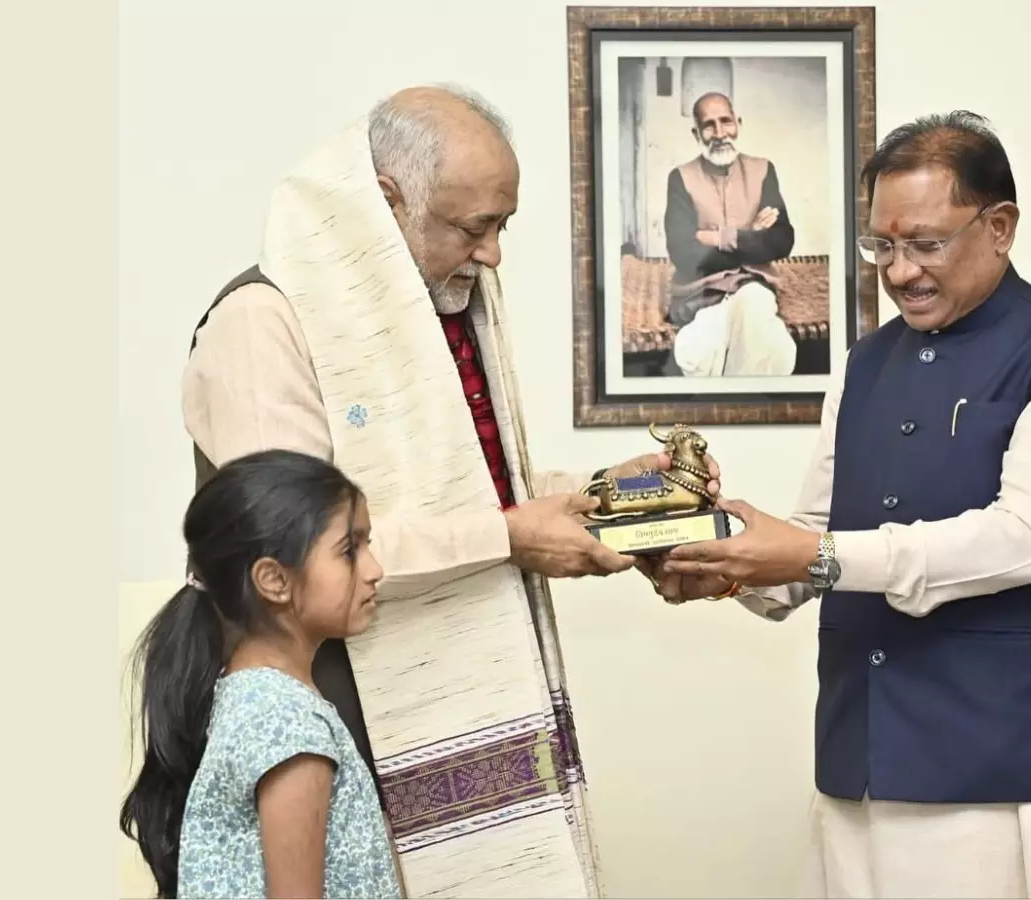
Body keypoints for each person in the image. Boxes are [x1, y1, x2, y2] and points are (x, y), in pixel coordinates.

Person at [181, 84, 717, 897]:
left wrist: (616, 496)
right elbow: (287, 547)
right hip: (337, 691)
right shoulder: (265, 321)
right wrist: (510, 537)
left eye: (503, 226)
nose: (493, 255)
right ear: (386, 201)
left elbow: (476, 492)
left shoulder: (441, 311)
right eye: (473, 228)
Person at [646, 111, 1031, 898]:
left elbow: (1025, 539)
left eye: (926, 244)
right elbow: (817, 535)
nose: (900, 271)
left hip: (1002, 778)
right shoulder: (864, 364)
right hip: (859, 765)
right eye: (881, 245)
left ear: (1000, 227)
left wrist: (813, 554)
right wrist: (722, 561)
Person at [119, 449, 401, 899]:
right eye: (349, 550)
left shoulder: (254, 697)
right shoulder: (289, 727)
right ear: (274, 580)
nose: (375, 571)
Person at [662, 91, 799, 377]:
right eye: (709, 125)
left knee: (754, 311)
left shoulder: (763, 170)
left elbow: (781, 241)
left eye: (726, 121)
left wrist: (716, 237)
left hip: (753, 285)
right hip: (702, 293)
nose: (720, 133)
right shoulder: (681, 177)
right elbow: (684, 253)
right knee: (697, 353)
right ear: (696, 133)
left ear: (738, 124)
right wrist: (751, 235)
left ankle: (735, 401)